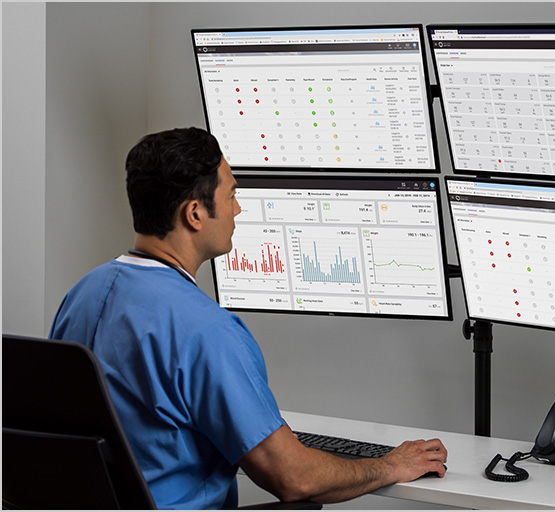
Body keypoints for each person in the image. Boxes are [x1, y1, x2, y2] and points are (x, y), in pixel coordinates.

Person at [49, 127, 447, 509]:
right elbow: (295, 479)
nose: (237, 209)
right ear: (195, 214)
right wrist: (391, 465)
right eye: (231, 195)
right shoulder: (206, 329)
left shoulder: (83, 295)